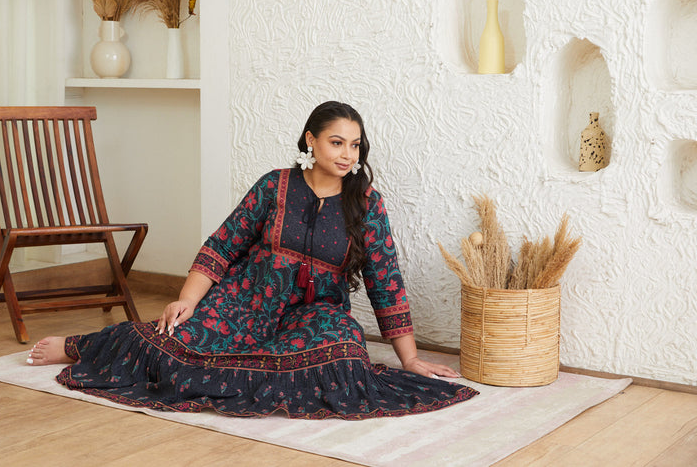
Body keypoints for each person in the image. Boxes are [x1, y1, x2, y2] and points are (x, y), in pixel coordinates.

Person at [28, 101, 478, 419]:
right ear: (311, 140)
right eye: (337, 143)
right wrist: (188, 300)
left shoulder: (365, 203)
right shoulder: (274, 185)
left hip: (314, 314)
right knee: (168, 342)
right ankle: (77, 346)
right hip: (247, 301)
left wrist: (411, 359)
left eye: (355, 146)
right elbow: (223, 246)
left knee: (343, 359)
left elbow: (386, 280)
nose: (347, 155)